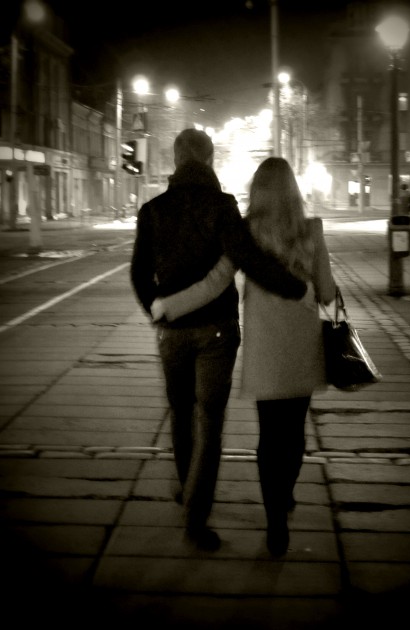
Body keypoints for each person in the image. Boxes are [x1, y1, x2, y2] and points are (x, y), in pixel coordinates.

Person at [130, 130, 309, 552]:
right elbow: (246, 258)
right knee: (209, 424)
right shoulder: (222, 205)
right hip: (216, 332)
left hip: (171, 332)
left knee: (181, 416)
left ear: (176, 160)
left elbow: (138, 272)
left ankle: (188, 489)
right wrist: (293, 286)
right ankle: (195, 518)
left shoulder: (153, 210)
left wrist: (157, 310)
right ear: (209, 159)